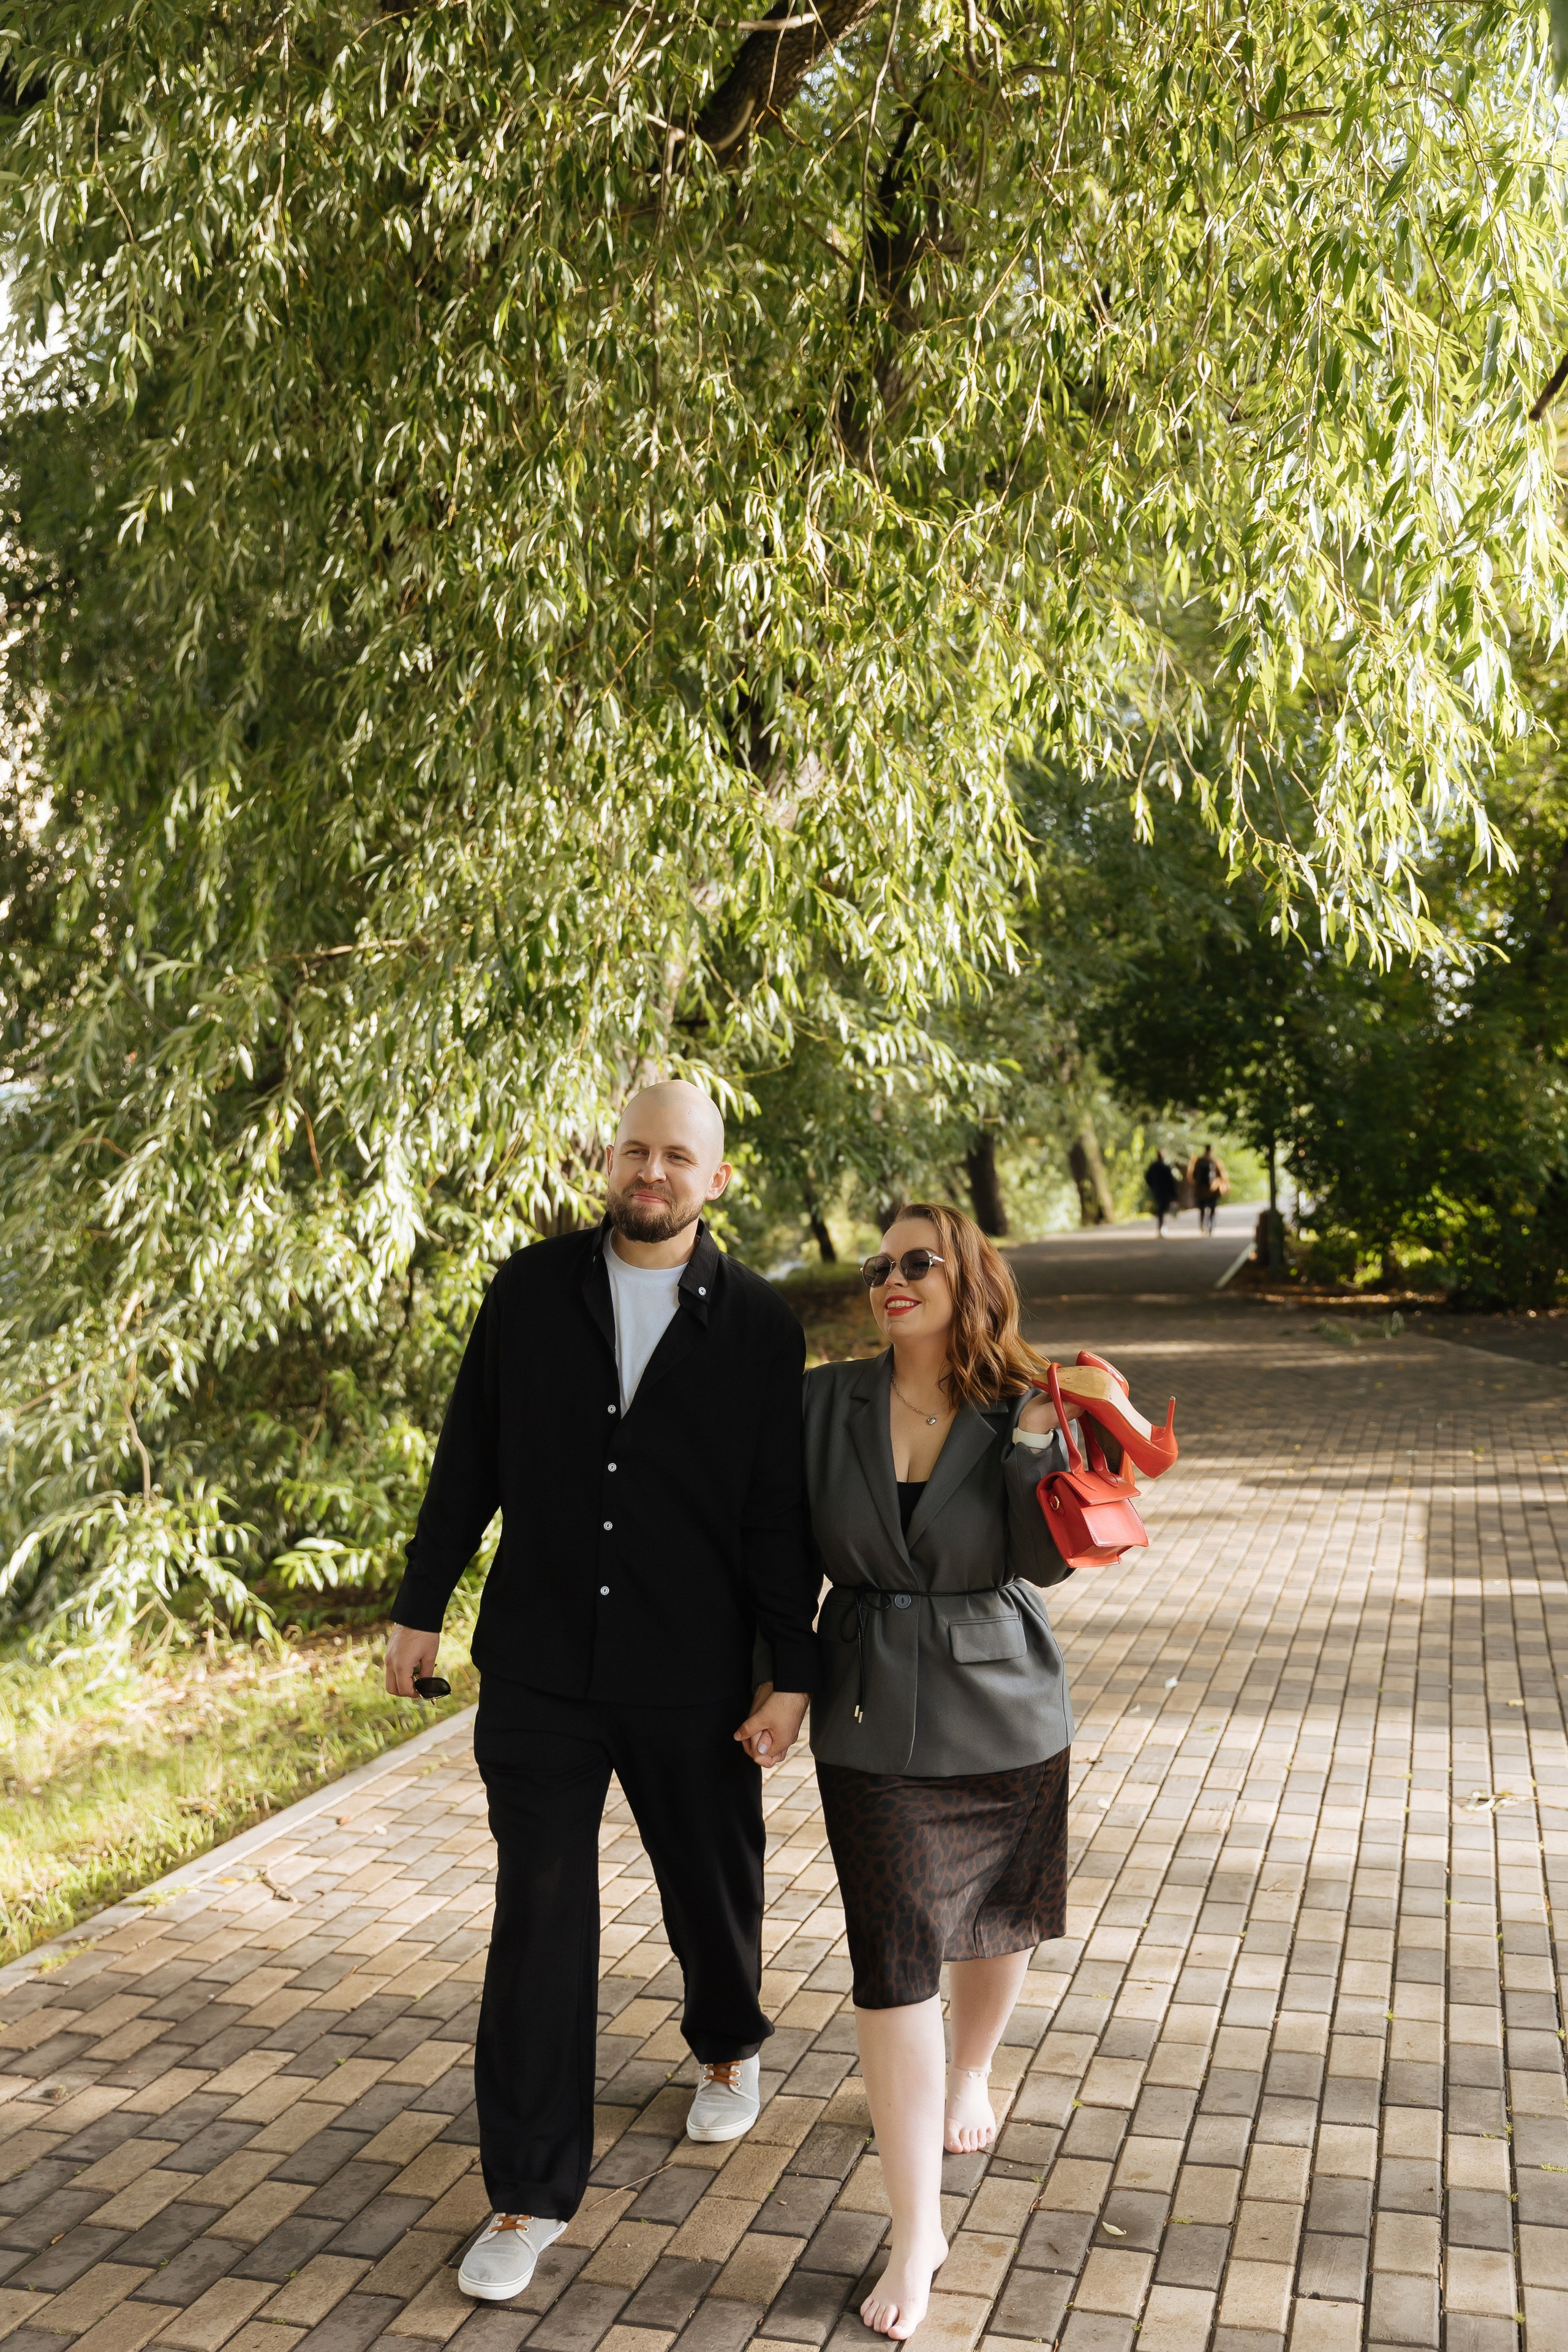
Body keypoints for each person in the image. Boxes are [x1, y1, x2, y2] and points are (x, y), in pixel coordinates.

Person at [385, 1081, 820, 2304]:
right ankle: (525, 2193)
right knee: (538, 1913)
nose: (651, 1171)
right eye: (635, 1149)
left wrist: (791, 1671)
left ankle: (727, 2046)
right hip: (537, 1670)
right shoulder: (527, 1293)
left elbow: (776, 1515)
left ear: (714, 1179)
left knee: (711, 1876)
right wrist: (421, 1606)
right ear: (609, 1159)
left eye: (677, 1155)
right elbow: (468, 1454)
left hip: (693, 1666)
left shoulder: (757, 1326)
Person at [776, 1204, 1129, 2342]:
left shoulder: (1025, 1397)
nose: (892, 1279)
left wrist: (1038, 1441)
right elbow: (777, 1551)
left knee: (999, 1918)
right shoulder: (825, 1400)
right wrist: (777, 1678)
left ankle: (973, 2070)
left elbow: (1047, 1561)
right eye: (880, 1265)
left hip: (1008, 1707)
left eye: (918, 1262)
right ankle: (916, 2229)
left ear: (967, 1273)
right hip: (868, 1711)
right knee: (893, 1961)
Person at [1189, 1142, 1228, 1234]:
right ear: (1211, 1150)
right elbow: (1222, 1175)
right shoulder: (1215, 1161)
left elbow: (1193, 1175)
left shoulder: (1199, 1161)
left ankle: (1203, 1223)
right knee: (1213, 1207)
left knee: (1202, 1208)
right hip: (1213, 1189)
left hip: (1201, 1190)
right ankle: (1211, 1225)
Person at [1144, 1147, 1178, 1235]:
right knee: (1162, 1207)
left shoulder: (1153, 1167)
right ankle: (1161, 1225)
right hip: (1164, 1191)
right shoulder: (1165, 1167)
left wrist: (1152, 1186)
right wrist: (1174, 1193)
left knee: (1161, 1207)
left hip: (1157, 1190)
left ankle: (1161, 1224)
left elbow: (1147, 1177)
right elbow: (1171, 1181)